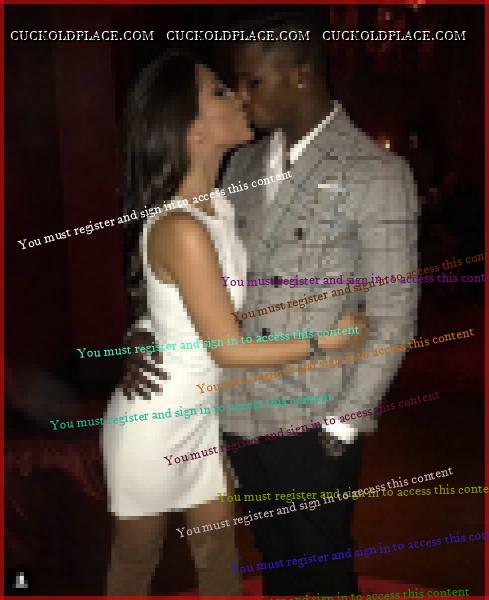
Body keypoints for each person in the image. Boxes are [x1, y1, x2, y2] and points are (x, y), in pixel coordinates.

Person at [103, 49, 366, 597]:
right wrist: (326, 341)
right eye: (220, 91)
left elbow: (176, 302)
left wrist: (144, 327)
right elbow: (226, 348)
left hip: (209, 416)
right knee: (135, 564)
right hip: (158, 421)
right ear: (192, 130)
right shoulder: (183, 226)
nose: (239, 96)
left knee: (220, 561)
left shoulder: (223, 204)